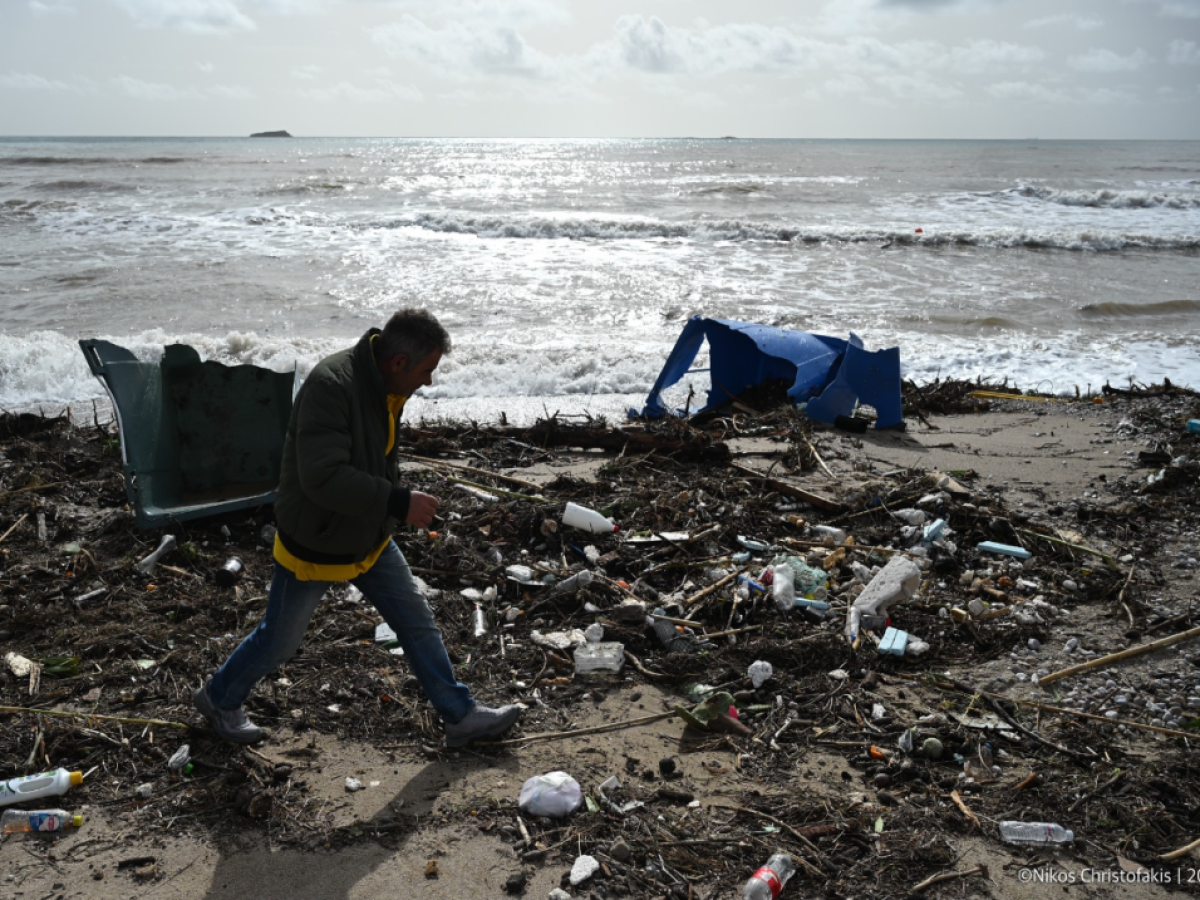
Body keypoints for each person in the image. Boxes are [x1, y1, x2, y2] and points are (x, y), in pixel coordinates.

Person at [193, 308, 522, 748]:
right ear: (398, 362)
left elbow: (377, 455)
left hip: (368, 533)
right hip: (317, 538)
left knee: (417, 621)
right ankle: (218, 697)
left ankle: (460, 716)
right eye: (426, 371)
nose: (428, 382)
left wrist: (391, 504)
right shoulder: (332, 387)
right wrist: (398, 501)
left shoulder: (386, 385)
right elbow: (322, 477)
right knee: (279, 643)